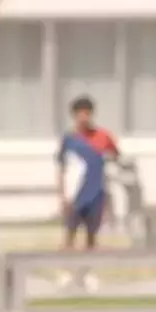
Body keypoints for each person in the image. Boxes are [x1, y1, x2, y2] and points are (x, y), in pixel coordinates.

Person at [55, 96, 120, 292]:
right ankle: (66, 272)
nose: (83, 117)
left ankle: (88, 273)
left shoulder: (103, 136)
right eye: (80, 113)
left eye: (87, 113)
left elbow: (115, 155)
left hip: (95, 194)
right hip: (75, 195)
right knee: (70, 234)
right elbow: (62, 168)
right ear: (74, 115)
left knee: (91, 236)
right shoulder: (69, 139)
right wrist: (62, 194)